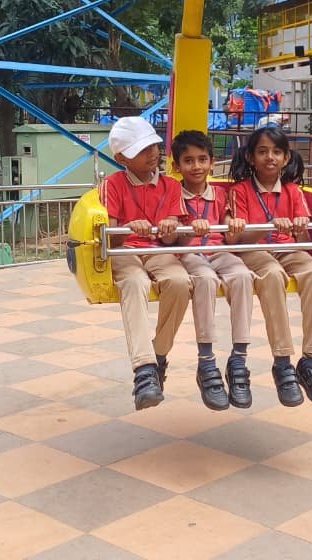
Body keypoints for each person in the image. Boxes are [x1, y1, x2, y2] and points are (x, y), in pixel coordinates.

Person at [229, 126, 312, 408]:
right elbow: (236, 239)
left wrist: (299, 229)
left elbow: (304, 240)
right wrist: (265, 227)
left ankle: (310, 360)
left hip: (288, 248)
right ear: (251, 158)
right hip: (255, 249)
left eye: (276, 152)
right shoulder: (240, 191)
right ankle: (283, 361)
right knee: (272, 275)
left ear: (286, 158)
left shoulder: (292, 192)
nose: (270, 157)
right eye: (262, 152)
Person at [102, 116, 192, 411]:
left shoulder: (171, 186)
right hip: (126, 250)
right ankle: (143, 369)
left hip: (157, 250)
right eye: (142, 150)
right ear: (121, 158)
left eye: (153, 145)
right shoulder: (112, 185)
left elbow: (171, 240)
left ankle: (159, 355)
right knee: (134, 282)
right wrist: (129, 228)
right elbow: (111, 238)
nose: (153, 153)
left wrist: (168, 228)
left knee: (179, 282)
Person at [169, 131, 257, 411]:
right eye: (188, 161)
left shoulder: (221, 193)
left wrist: (234, 224)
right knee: (205, 280)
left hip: (219, 250)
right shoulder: (173, 194)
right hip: (190, 252)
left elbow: (229, 227)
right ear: (177, 166)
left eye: (202, 160)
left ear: (212, 162)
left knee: (243, 276)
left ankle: (239, 357)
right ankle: (206, 361)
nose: (196, 166)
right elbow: (169, 235)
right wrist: (186, 228)